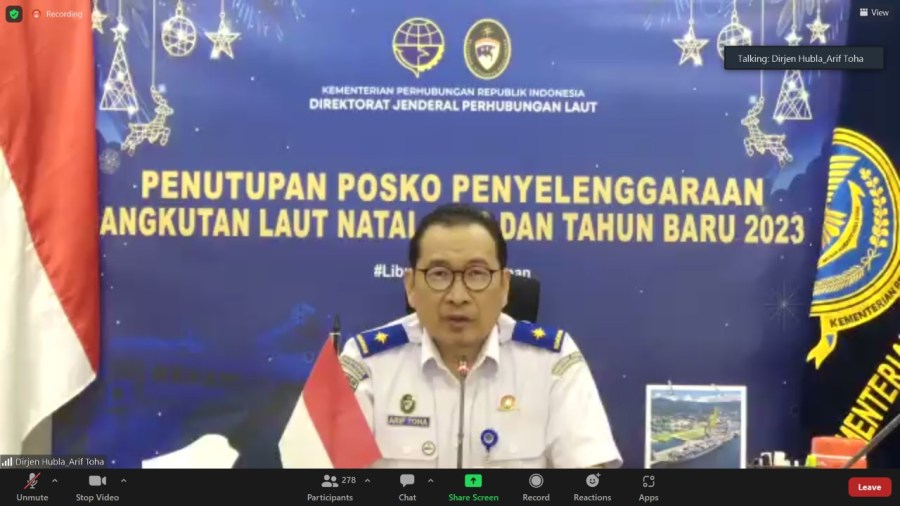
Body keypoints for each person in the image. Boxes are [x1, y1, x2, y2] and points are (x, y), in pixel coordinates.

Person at [340, 203, 622, 468]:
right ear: (411, 286)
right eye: (439, 274)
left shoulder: (553, 362)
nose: (458, 296)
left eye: (477, 274)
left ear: (504, 287)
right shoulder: (364, 364)